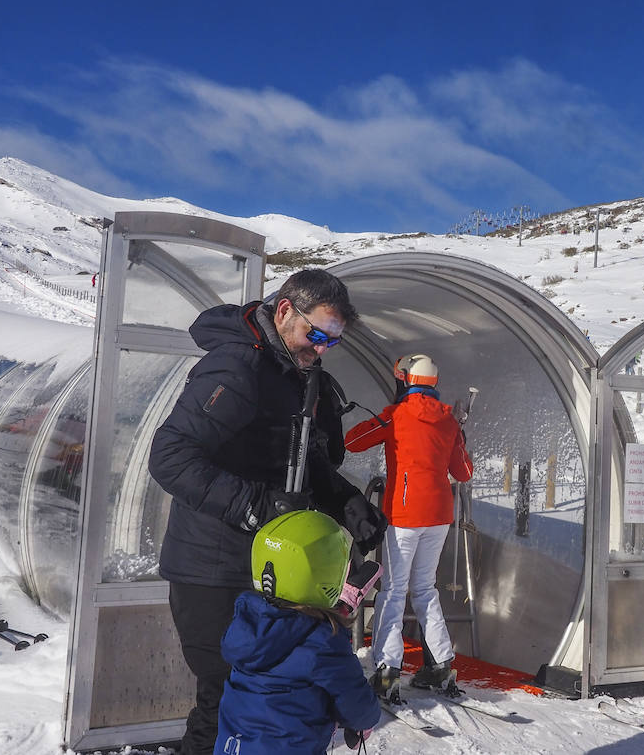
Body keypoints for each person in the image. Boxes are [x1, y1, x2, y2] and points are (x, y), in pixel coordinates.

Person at [148, 269, 389, 755]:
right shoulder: (237, 368)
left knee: (263, 705)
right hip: (212, 569)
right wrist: (259, 506)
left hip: (266, 566)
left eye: (332, 342)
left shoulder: (296, 374)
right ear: (284, 311)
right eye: (315, 334)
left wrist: (347, 501)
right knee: (225, 702)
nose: (320, 348)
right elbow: (170, 456)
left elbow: (304, 457)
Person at [345, 353, 474, 696]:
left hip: (403, 515)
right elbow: (464, 473)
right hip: (439, 516)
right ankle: (441, 665)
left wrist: (384, 418)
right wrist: (459, 434)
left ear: (404, 380)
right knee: (425, 589)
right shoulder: (449, 420)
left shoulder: (396, 416)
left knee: (393, 590)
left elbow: (353, 442)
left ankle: (387, 669)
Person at [216, 510, 381, 755]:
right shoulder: (323, 641)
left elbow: (290, 627)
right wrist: (362, 724)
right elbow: (360, 708)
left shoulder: (247, 625)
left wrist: (334, 609)